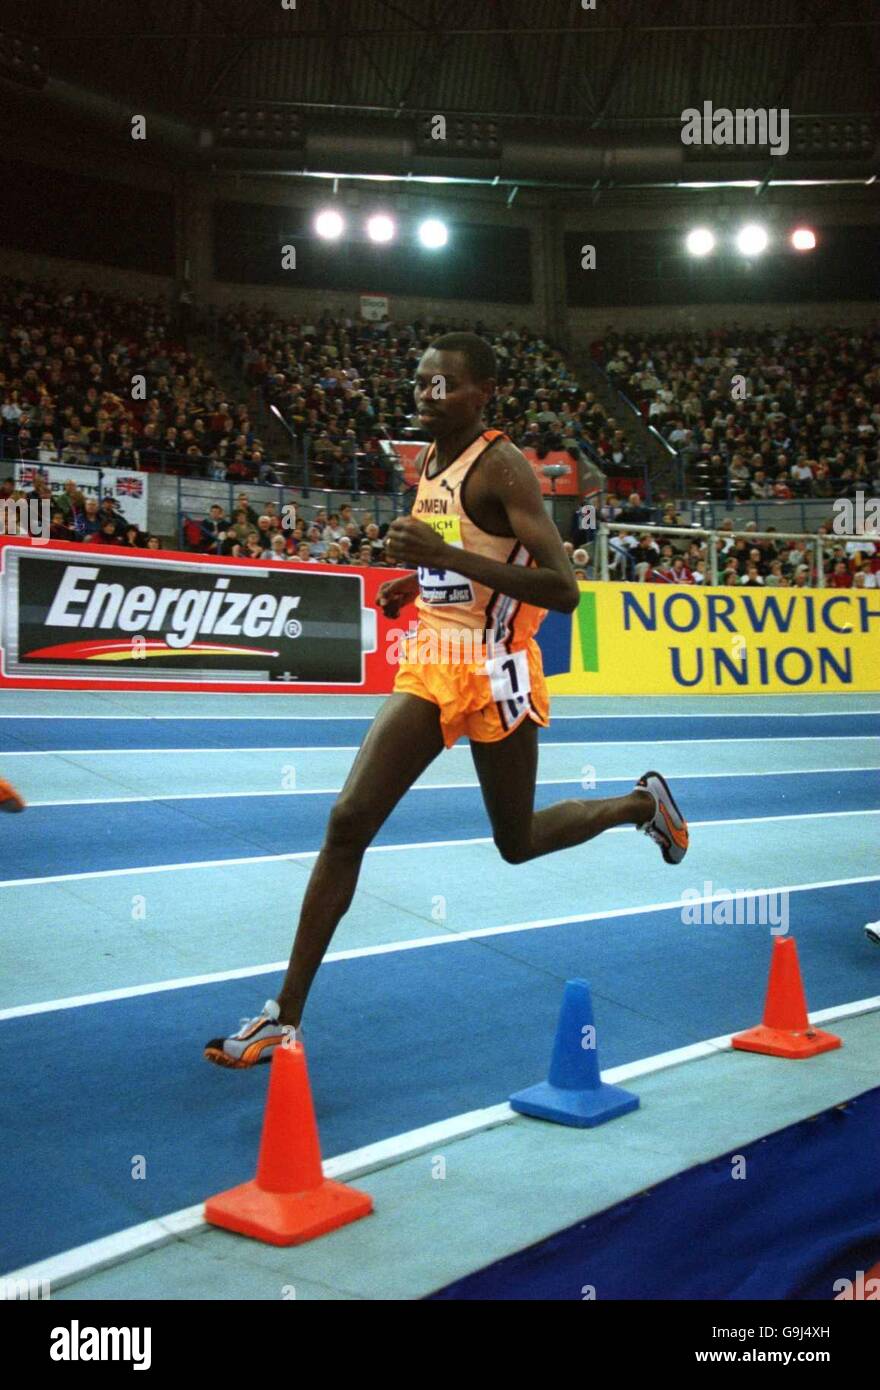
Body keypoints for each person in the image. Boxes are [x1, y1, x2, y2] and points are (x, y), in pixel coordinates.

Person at [205, 333, 690, 1067]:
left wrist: (441, 559)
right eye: (421, 382)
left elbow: (565, 592)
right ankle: (285, 1016)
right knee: (347, 822)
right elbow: (470, 558)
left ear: (484, 391)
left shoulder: (506, 469)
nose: (426, 395)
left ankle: (637, 806)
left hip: (498, 670)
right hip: (435, 659)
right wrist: (422, 583)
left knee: (516, 842)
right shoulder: (431, 456)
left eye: (445, 385)